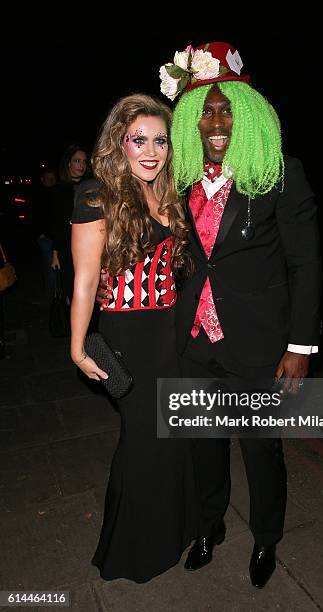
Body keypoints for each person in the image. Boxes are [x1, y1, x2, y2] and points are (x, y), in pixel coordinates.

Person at [158, 42, 322, 589]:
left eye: (227, 107)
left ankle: (266, 539)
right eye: (205, 109)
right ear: (189, 121)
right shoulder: (176, 180)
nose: (217, 119)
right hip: (195, 342)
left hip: (256, 343)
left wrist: (300, 346)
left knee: (259, 450)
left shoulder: (279, 175)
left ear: (247, 115)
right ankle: (209, 528)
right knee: (203, 445)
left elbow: (306, 263)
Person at [70, 93, 197, 583]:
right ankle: (130, 550)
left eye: (159, 140)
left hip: (169, 330)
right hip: (127, 333)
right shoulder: (95, 193)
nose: (150, 150)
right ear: (118, 143)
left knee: (171, 437)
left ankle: (172, 532)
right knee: (143, 440)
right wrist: (77, 346)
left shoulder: (165, 192)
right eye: (138, 139)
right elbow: (85, 280)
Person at [50, 144, 89, 303]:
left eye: (84, 161)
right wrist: (55, 254)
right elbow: (57, 224)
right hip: (68, 248)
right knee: (72, 291)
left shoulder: (90, 187)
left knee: (88, 290)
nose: (81, 165)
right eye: (77, 161)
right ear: (68, 164)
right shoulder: (59, 190)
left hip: (89, 247)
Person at [33, 166, 57, 299]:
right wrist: (40, 233)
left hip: (57, 236)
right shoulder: (39, 195)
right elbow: (35, 216)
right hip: (46, 238)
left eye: (52, 178)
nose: (51, 181)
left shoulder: (57, 193)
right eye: (48, 179)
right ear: (43, 180)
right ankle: (52, 294)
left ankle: (56, 293)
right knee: (49, 266)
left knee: (56, 266)